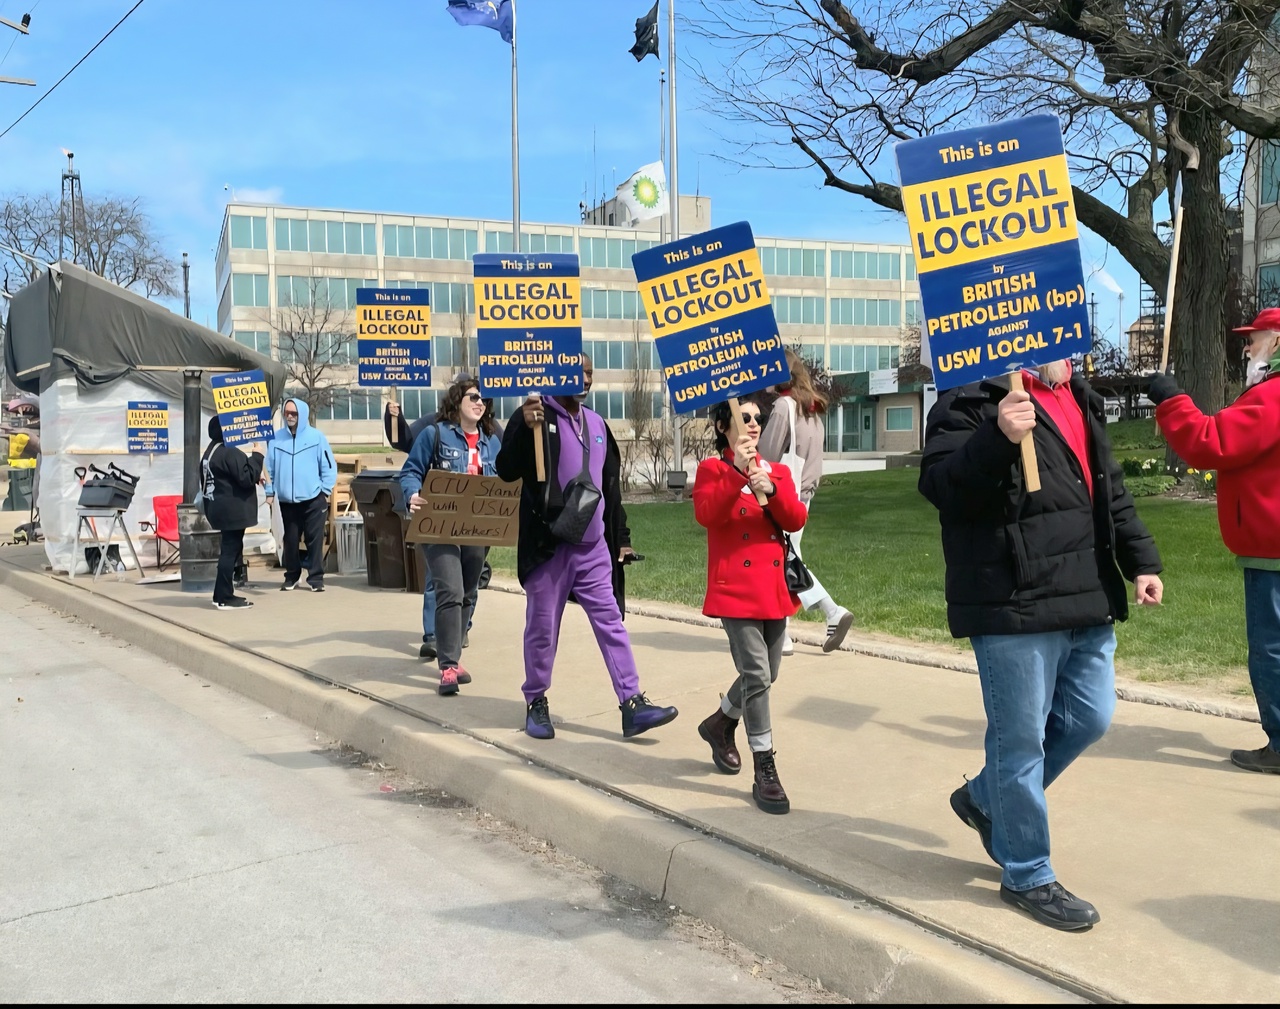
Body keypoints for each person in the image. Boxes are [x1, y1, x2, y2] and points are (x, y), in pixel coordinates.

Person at [920, 358, 1163, 931]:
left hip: (1087, 594)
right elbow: (944, 490)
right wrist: (998, 437)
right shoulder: (970, 399)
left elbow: (1111, 491)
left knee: (1090, 718)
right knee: (1020, 743)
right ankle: (1027, 872)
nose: (1068, 346)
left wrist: (1141, 560)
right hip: (1013, 602)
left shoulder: (1079, 396)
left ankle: (985, 798)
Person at [495, 353, 676, 740]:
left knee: (611, 623)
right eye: (579, 371)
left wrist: (621, 540)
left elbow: (612, 490)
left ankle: (632, 704)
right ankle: (536, 701)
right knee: (542, 629)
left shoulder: (596, 424)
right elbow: (506, 469)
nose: (586, 379)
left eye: (591, 373)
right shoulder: (534, 414)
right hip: (549, 547)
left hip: (593, 549)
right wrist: (526, 429)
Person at [1149, 308, 1280, 773]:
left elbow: (1211, 442)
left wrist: (1170, 400)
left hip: (1273, 548)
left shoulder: (1273, 396)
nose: (1247, 348)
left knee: (1272, 648)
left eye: (1256, 339)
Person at [694, 396, 808, 814]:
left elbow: (795, 519)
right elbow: (707, 515)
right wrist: (736, 477)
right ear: (726, 426)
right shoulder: (712, 470)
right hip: (735, 589)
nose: (755, 424)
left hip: (773, 588)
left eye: (759, 418)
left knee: (767, 673)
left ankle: (720, 723)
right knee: (757, 674)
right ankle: (765, 766)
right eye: (746, 418)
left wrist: (771, 489)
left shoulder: (775, 470)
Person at [398, 378, 502, 696]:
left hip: (476, 528)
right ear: (457, 400)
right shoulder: (436, 434)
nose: (479, 402)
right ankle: (447, 667)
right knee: (450, 590)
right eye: (473, 396)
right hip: (439, 526)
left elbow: (506, 479)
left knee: (469, 592)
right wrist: (412, 494)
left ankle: (455, 658)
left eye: (484, 398)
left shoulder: (491, 441)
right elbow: (411, 470)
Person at [758, 349, 855, 654]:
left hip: (784, 492)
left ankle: (831, 611)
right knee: (787, 558)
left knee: (785, 560)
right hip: (804, 492)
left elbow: (768, 454)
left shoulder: (783, 407)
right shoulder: (809, 408)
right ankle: (784, 633)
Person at [265, 398, 336, 592]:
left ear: (302, 415)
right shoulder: (275, 438)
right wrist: (269, 492)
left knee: (315, 539)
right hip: (286, 501)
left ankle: (316, 579)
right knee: (290, 540)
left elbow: (328, 466)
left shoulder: (317, 438)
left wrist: (325, 491)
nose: (289, 416)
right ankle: (292, 576)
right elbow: (268, 468)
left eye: (294, 413)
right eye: (287, 412)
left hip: (314, 499)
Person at [200, 416, 265, 611]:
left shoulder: (211, 451)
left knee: (231, 551)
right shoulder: (229, 452)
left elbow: (231, 476)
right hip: (232, 512)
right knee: (229, 552)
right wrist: (257, 455)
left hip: (218, 508)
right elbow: (246, 477)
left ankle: (222, 593)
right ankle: (224, 597)